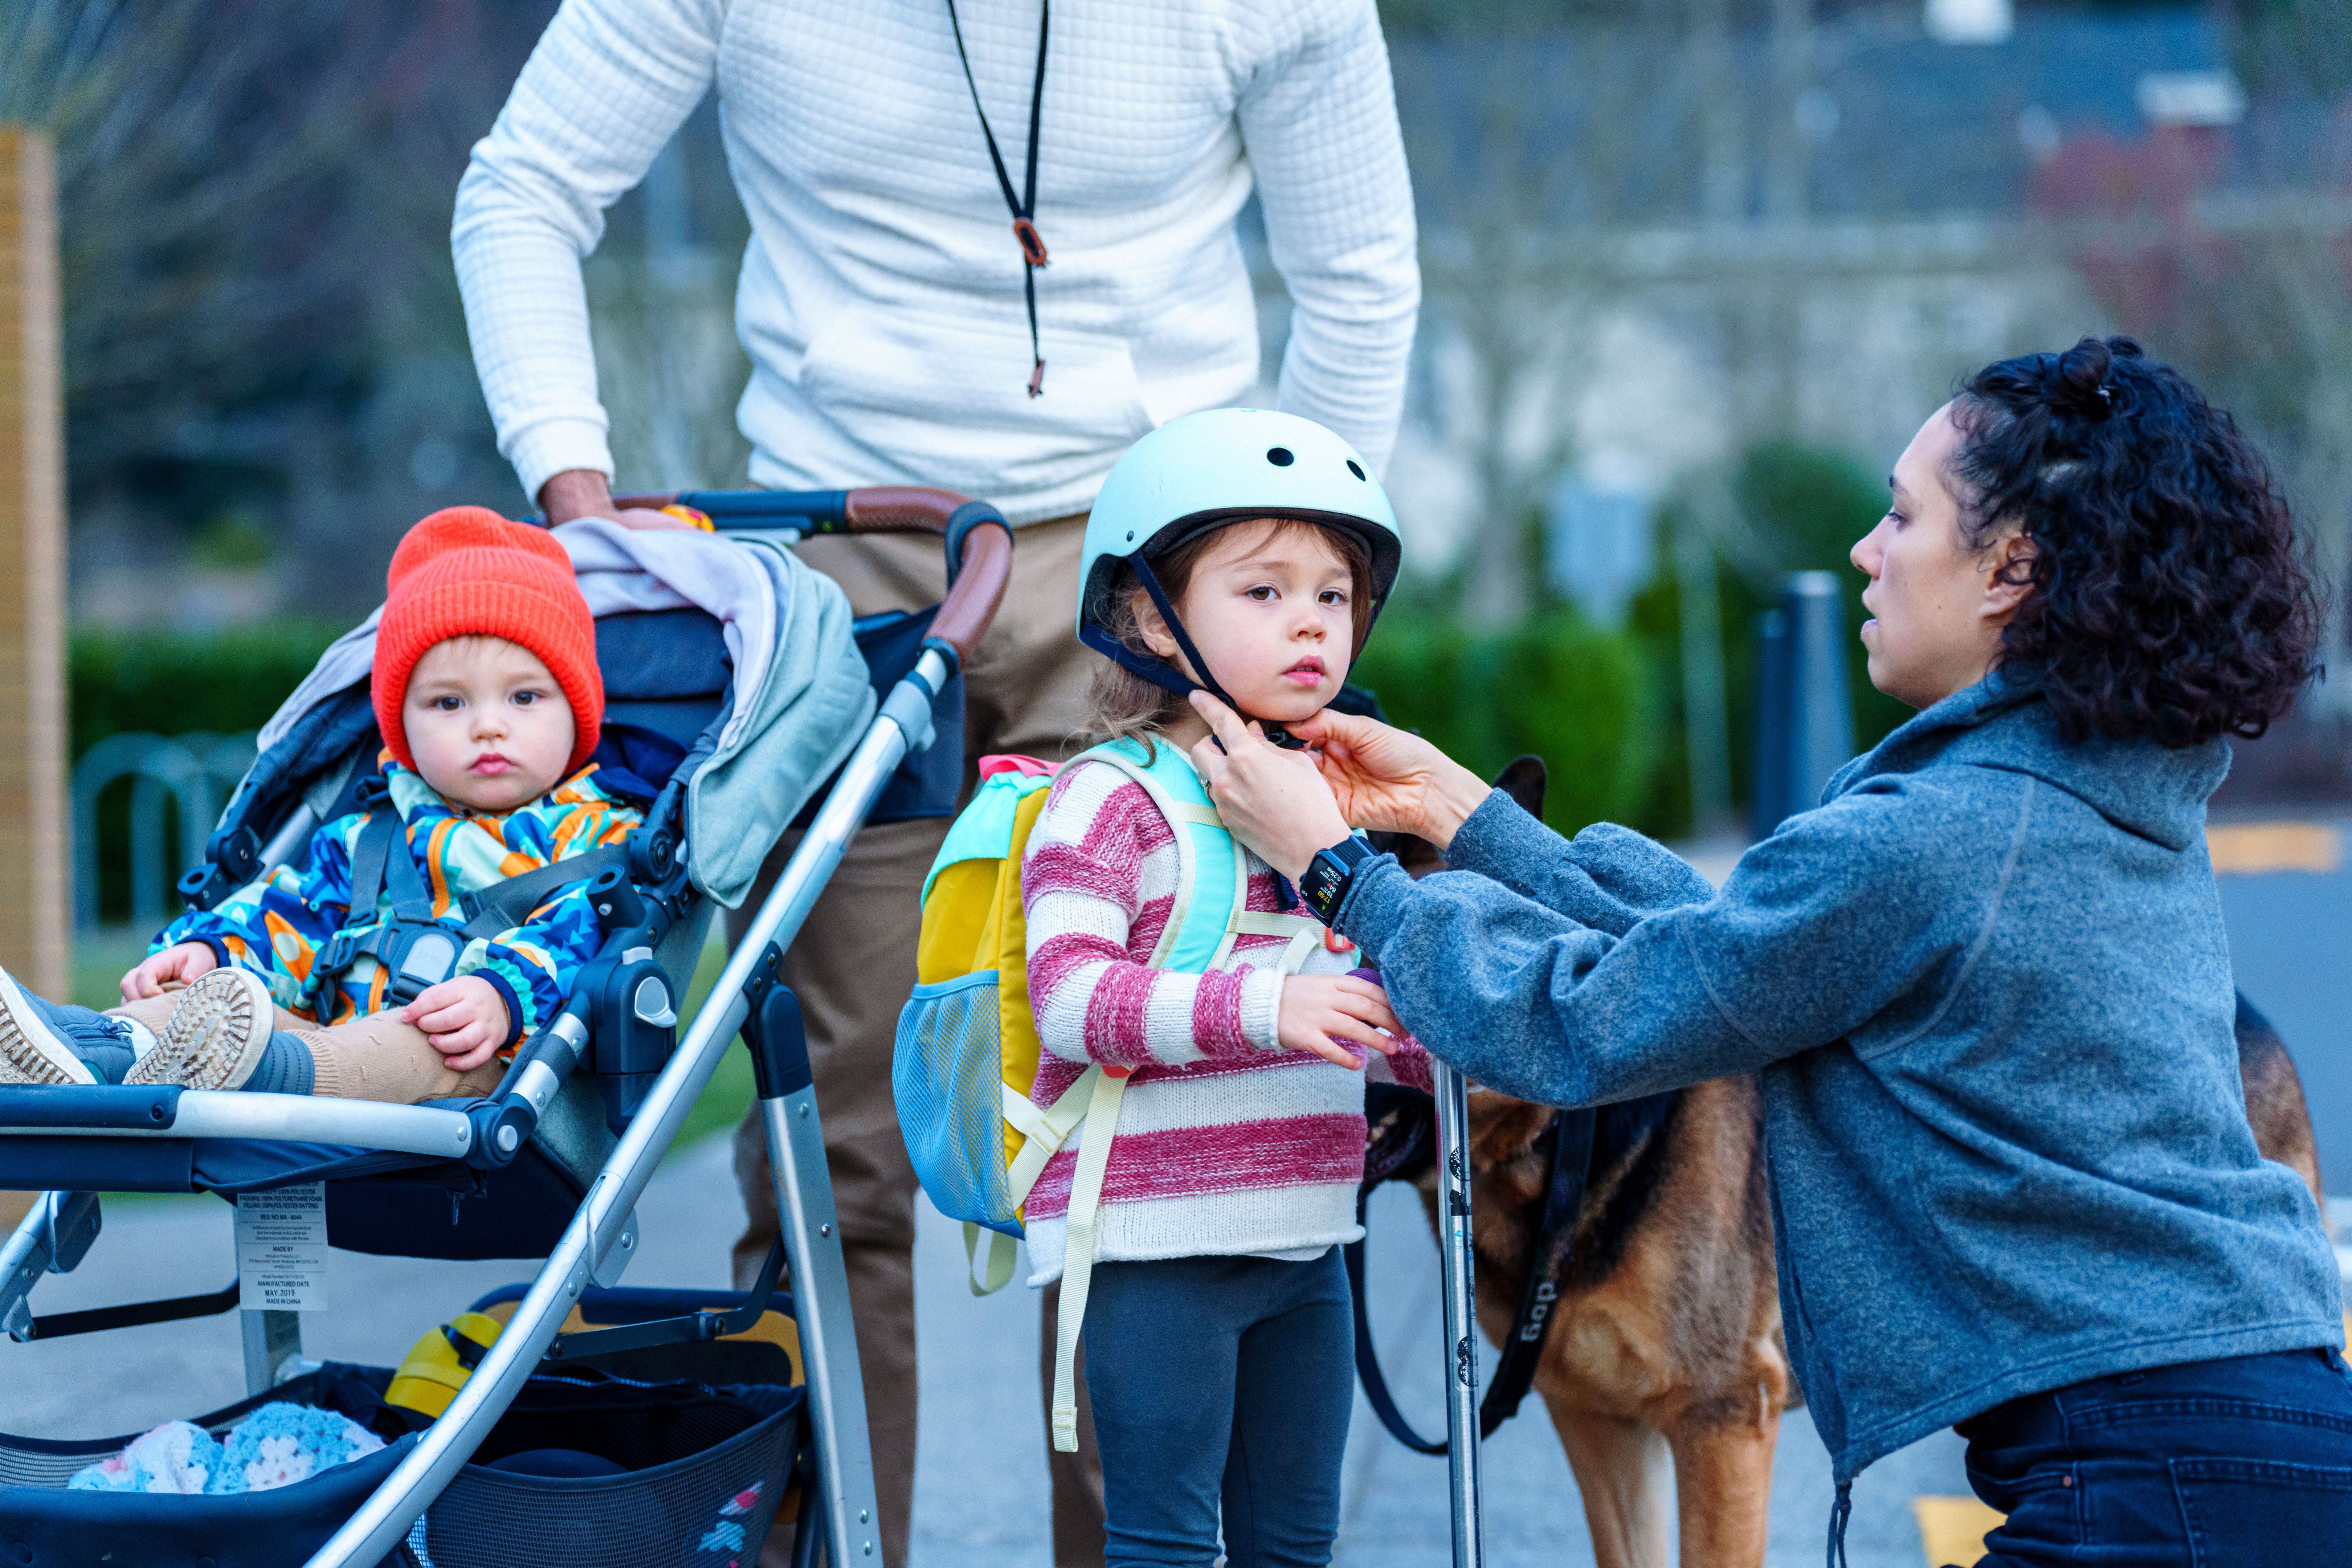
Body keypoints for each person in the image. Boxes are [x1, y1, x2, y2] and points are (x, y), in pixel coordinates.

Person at [450, 5, 1419, 1560]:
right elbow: (524, 190)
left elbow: (1361, 276)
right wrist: (580, 503)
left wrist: (1289, 589)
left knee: (1148, 1124)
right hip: (853, 564)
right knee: (836, 1156)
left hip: (1160, 556)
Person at [1191, 338, 2351, 1565]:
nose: (1865, 549)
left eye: (1903, 516)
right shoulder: (2080, 787)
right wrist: (1462, 817)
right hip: (2250, 1440)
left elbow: (1584, 1021)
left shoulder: (1942, 834)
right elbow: (1737, 953)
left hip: (2150, 1483)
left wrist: (1342, 871)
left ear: (2014, 567)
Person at [1026, 409, 1427, 1567]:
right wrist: (1269, 1008)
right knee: (1162, 1544)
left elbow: (1377, 1011)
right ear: (1152, 615)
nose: (1310, 618)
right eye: (1263, 591)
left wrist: (1441, 1032)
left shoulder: (1330, 808)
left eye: (1333, 595)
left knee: (1296, 1547)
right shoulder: (1107, 800)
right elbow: (1073, 1001)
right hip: (1158, 1254)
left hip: (1308, 1247)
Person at [0, 509, 634, 1106]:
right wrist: (213, 952)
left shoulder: (595, 835)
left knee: (421, 1041)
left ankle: (255, 1076)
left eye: (524, 698)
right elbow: (291, 914)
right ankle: (95, 1048)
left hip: (476, 1056)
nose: (488, 727)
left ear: (578, 712)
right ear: (400, 727)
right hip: (317, 1041)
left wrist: (503, 995)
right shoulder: (370, 836)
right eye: (450, 704)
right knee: (208, 1000)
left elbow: (578, 932)